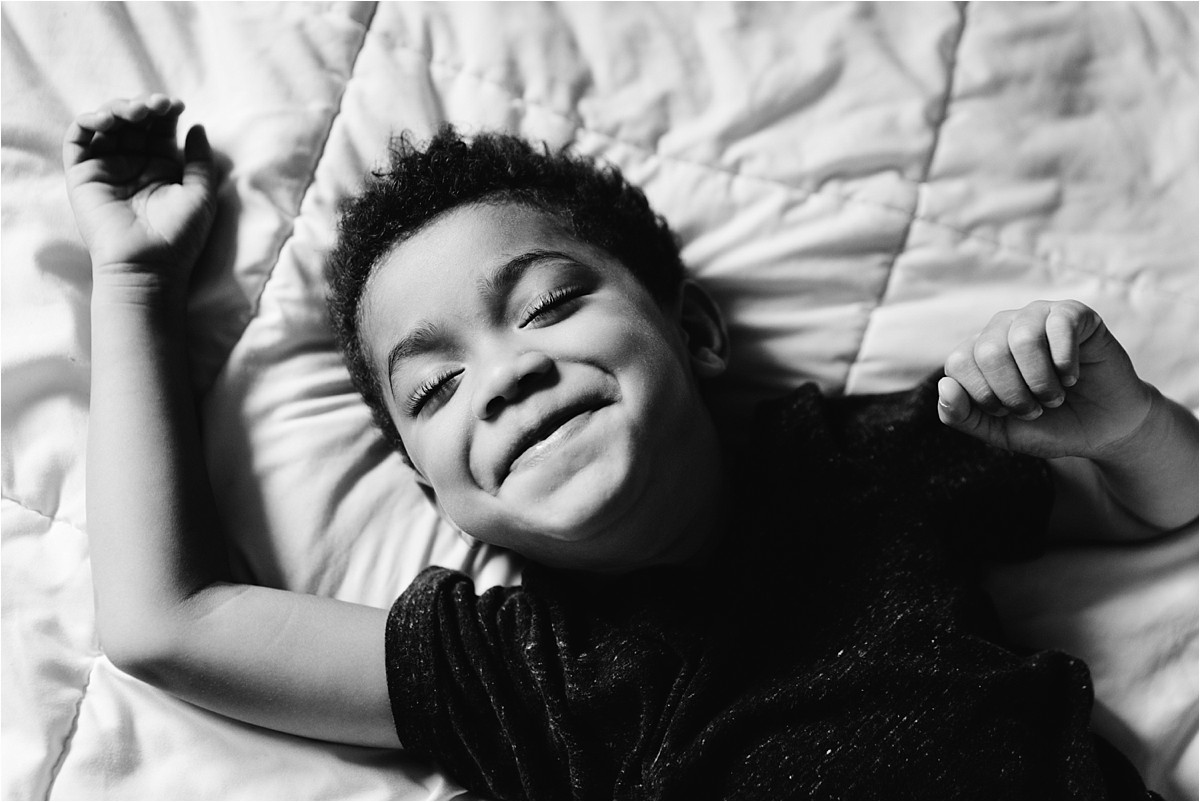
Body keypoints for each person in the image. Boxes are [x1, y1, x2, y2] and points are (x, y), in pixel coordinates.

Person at [65, 94, 1197, 798]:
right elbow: (168, 622)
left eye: (550, 305)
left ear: (692, 329)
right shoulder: (519, 672)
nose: (506, 373)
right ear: (435, 492)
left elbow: (1160, 503)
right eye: (438, 384)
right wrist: (135, 279)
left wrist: (1127, 426)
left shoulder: (856, 465)